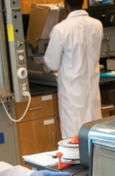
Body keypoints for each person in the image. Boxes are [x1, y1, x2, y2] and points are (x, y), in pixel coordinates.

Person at [43, 0, 103, 139]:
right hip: (92, 92)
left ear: (66, 5)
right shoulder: (97, 25)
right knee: (94, 138)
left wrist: (43, 62)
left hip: (72, 95)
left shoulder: (61, 29)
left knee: (74, 141)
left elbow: (51, 64)